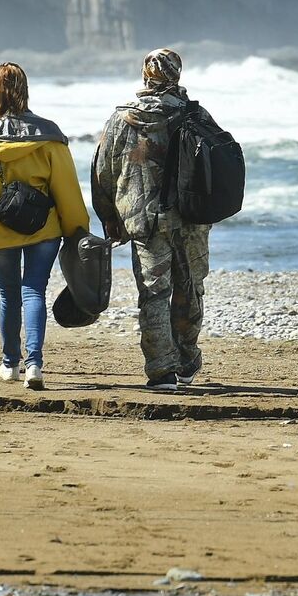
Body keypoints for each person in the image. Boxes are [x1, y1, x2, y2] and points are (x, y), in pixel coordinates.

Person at [91, 48, 214, 392]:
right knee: (190, 289)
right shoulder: (194, 114)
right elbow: (216, 164)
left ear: (146, 75)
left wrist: (109, 218)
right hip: (190, 219)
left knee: (154, 294)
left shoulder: (121, 119)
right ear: (177, 75)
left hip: (142, 220)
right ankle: (187, 361)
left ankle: (161, 372)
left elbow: (103, 172)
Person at [0, 62, 90, 391]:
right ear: (25, 90)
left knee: (9, 294)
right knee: (34, 290)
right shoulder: (49, 136)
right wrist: (78, 229)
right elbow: (66, 188)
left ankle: (10, 364)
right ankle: (34, 364)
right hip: (43, 229)